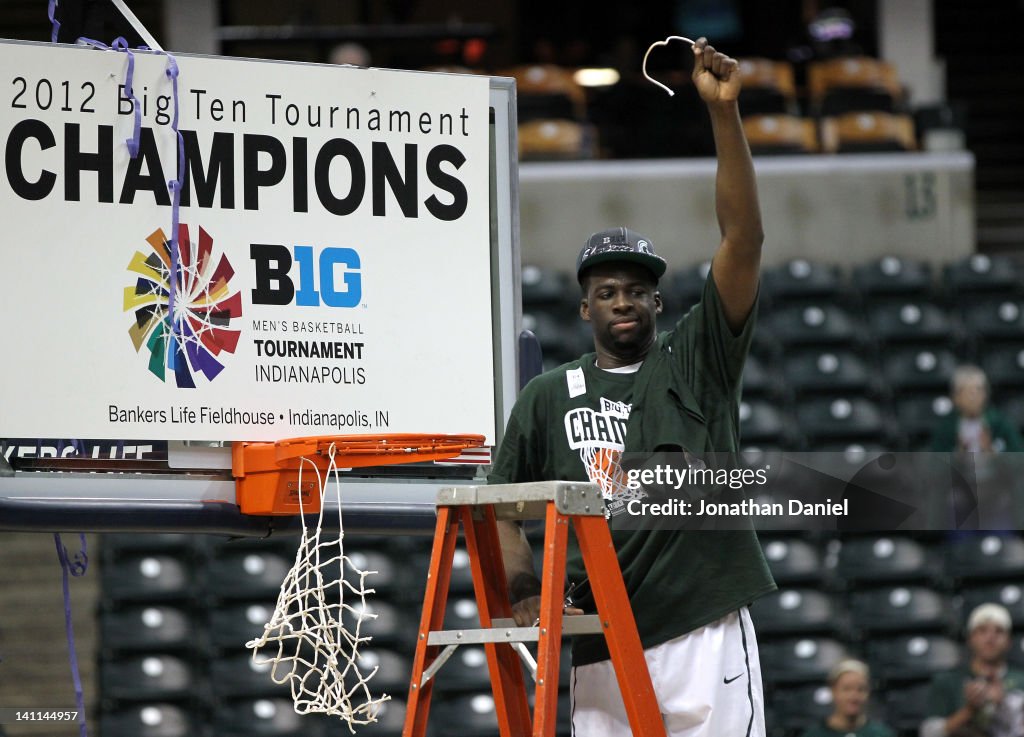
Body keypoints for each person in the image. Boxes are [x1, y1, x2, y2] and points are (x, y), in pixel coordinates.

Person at [490, 37, 775, 736]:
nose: (624, 301)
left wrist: (724, 116)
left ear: (658, 303)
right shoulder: (548, 397)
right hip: (601, 635)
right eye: (607, 291)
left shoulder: (696, 361)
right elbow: (500, 509)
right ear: (585, 307)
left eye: (639, 291)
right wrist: (524, 587)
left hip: (700, 628)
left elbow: (744, 240)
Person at [920, 603, 1024, 737]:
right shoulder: (948, 681)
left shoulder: (1021, 680)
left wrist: (1004, 704)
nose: (990, 638)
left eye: (999, 631)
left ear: (1009, 641)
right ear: (970, 638)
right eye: (982, 630)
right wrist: (970, 710)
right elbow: (929, 733)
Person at [930, 366, 1024, 456]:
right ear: (956, 397)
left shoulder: (1000, 423)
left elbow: (1018, 454)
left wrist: (991, 450)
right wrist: (958, 452)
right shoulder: (947, 427)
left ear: (985, 395)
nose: (974, 398)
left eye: (979, 390)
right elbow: (936, 461)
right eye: (968, 392)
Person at [800, 659, 895, 737]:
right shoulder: (814, 735)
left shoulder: (882, 734)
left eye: (861, 690)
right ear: (833, 691)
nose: (854, 697)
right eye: (846, 689)